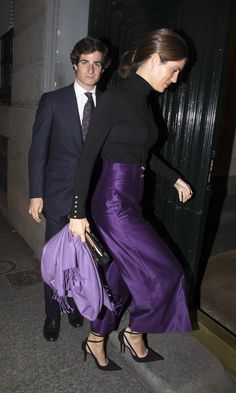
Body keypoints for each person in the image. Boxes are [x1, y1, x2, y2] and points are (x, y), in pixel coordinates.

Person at [69, 28, 193, 370]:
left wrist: (175, 178)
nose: (176, 78)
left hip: (130, 199)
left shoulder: (143, 100)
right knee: (167, 272)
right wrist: (77, 213)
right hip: (111, 201)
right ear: (155, 60)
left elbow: (142, 152)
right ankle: (135, 332)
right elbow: (88, 156)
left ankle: (96, 339)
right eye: (174, 70)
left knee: (122, 277)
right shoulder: (115, 99)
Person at [28, 37, 109, 341]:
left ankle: (74, 305)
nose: (91, 69)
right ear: (75, 65)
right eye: (85, 62)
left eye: (97, 63)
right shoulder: (53, 100)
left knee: (82, 260)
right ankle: (52, 315)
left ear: (102, 68)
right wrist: (36, 193)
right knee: (55, 260)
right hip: (59, 196)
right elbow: (38, 151)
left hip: (93, 200)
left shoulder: (108, 104)